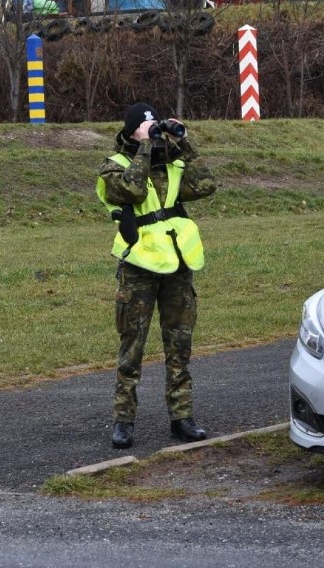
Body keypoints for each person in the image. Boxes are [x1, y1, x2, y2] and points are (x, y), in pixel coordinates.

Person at [95, 102, 218, 449]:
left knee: (179, 345)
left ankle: (182, 417)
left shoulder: (173, 166)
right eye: (144, 126)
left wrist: (184, 142)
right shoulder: (113, 166)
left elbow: (206, 184)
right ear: (131, 131)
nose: (152, 129)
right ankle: (124, 421)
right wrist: (146, 146)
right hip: (139, 268)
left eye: (155, 125)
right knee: (132, 347)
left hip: (178, 265)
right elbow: (131, 191)